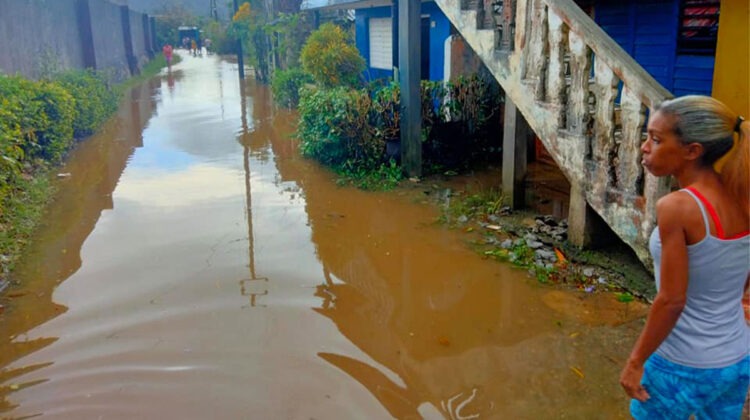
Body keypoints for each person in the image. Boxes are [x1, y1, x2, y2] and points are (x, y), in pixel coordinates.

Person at [620, 95, 750, 419]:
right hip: (736, 358)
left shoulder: (677, 207)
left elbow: (672, 300)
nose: (644, 147)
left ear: (693, 150)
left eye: (656, 139)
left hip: (682, 364)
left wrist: (635, 361)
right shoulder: (742, 198)